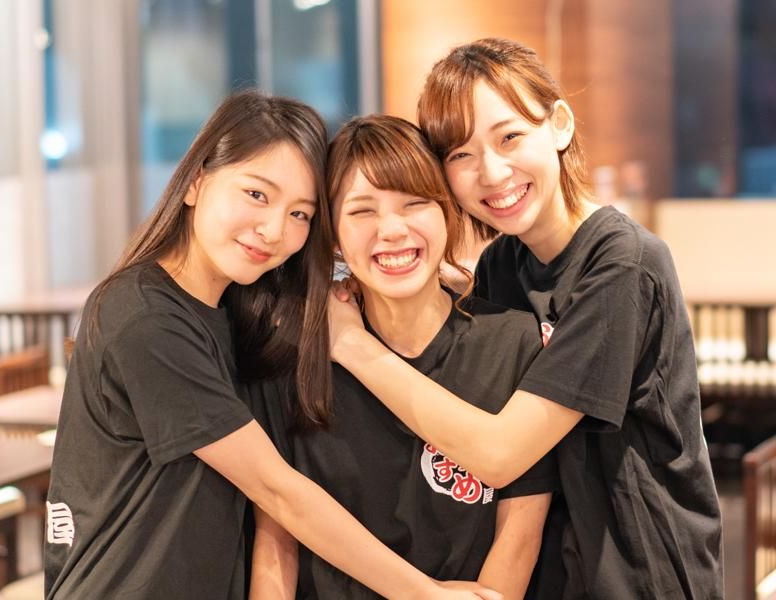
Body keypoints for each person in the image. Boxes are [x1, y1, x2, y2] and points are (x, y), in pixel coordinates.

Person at [43, 89, 501, 600]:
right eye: (257, 195)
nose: (273, 230)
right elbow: (279, 492)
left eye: (300, 214)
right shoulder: (146, 317)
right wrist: (427, 594)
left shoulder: (235, 311)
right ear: (195, 181)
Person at [328, 39, 723, 599]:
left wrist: (350, 344)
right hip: (559, 567)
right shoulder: (502, 264)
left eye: (509, 137)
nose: (492, 172)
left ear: (558, 125)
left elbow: (500, 453)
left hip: (639, 567)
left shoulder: (623, 265)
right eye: (460, 154)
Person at [247, 115, 557, 600]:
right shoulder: (293, 354)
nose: (392, 230)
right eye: (362, 211)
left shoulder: (514, 342)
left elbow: (519, 534)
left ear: (448, 214)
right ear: (332, 236)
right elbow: (276, 540)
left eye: (414, 203)